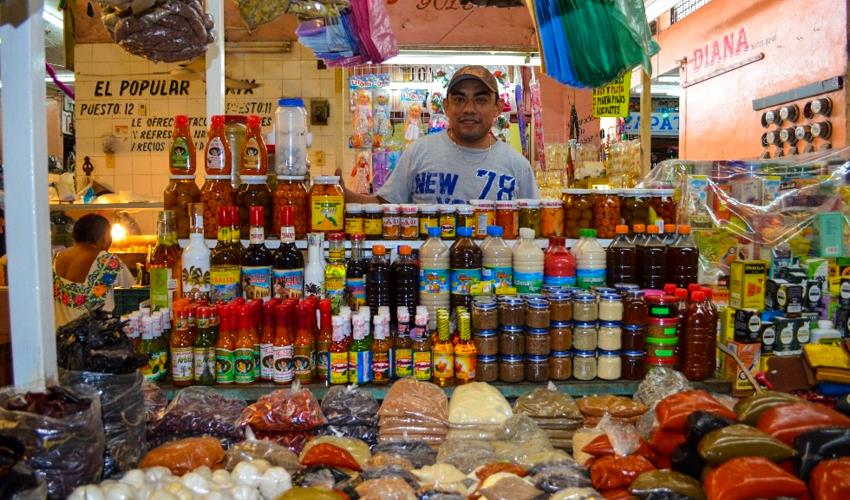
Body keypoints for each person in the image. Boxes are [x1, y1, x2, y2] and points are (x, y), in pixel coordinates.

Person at [339, 65, 540, 205]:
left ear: (498, 108)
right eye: (460, 99)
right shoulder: (419, 151)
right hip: (428, 265)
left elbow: (534, 227)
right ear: (446, 106)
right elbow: (385, 206)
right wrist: (343, 195)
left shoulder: (517, 166)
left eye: (480, 100)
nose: (469, 109)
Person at [53, 214, 135, 328]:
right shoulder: (108, 261)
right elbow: (132, 290)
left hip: (58, 338)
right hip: (93, 341)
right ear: (105, 237)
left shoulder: (58, 257)